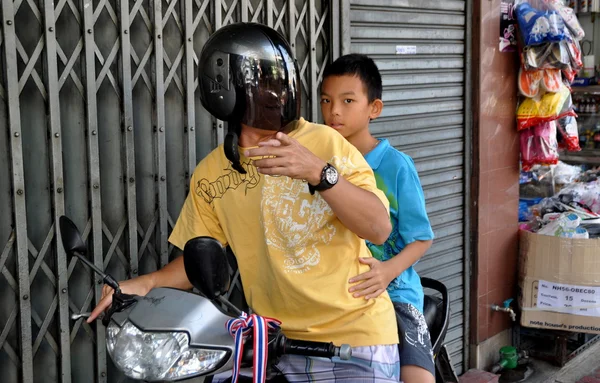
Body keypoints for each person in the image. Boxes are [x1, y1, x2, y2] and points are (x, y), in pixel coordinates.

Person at [88, 24, 401, 382]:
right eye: (264, 83)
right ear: (223, 90)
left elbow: (378, 228)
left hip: (353, 345)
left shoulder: (324, 142)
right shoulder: (211, 174)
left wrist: (319, 172)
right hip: (272, 345)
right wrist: (143, 284)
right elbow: (198, 261)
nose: (277, 94)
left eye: (281, 82)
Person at [320, 54, 436, 383]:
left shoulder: (396, 166)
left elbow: (422, 237)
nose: (334, 111)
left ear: (374, 108)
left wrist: (386, 272)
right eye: (326, 100)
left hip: (394, 293)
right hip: (336, 293)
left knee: (417, 377)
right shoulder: (318, 165)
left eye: (347, 100)